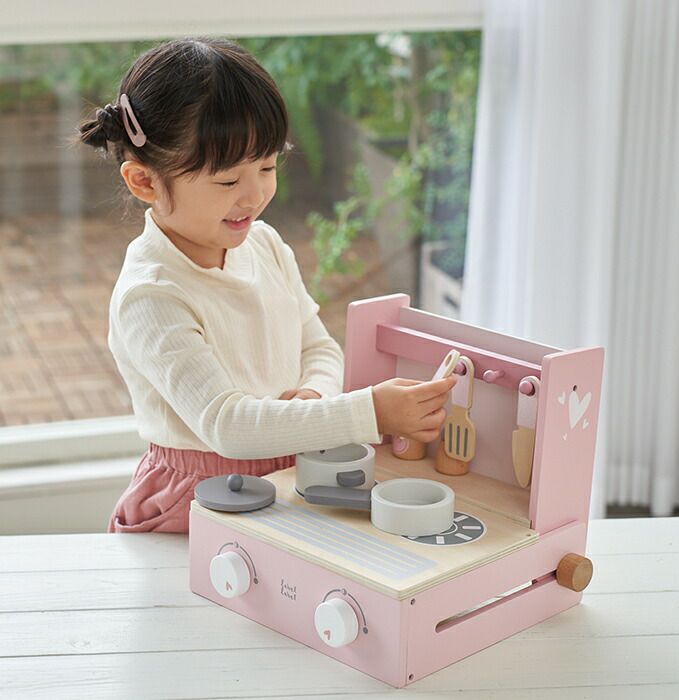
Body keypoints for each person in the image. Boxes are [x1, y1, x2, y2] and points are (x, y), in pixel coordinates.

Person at [75, 36, 457, 534]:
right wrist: (370, 412)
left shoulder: (265, 244)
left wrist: (314, 396)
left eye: (267, 166)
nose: (255, 195)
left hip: (290, 472)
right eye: (227, 182)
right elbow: (227, 425)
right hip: (198, 499)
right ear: (145, 182)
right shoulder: (151, 293)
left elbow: (318, 346)